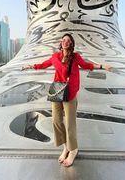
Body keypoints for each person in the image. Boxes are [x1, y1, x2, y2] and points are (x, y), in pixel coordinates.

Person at [22, 33, 112, 167]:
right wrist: (30, 66)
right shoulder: (55, 57)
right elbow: (43, 65)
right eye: (63, 40)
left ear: (71, 44)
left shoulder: (75, 57)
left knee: (70, 124)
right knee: (57, 121)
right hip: (57, 91)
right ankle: (66, 146)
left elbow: (86, 65)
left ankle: (73, 150)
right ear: (61, 42)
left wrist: (102, 66)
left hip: (70, 93)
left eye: (68, 40)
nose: (65, 42)